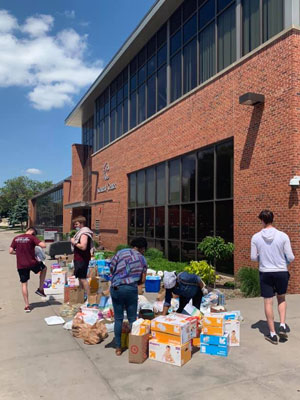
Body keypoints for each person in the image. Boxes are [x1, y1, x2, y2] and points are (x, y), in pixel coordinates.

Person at [251, 209, 294, 344]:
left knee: (268, 302)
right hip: (281, 271)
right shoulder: (283, 236)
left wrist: (263, 258)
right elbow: (291, 257)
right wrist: (282, 262)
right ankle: (281, 324)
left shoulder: (256, 237)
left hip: (265, 272)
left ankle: (272, 334)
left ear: (262, 220)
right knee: (281, 298)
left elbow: (253, 257)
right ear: (273, 219)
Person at [110, 237, 148, 356]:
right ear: (142, 248)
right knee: (132, 319)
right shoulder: (142, 259)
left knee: (118, 318)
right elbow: (142, 279)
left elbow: (111, 267)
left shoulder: (121, 252)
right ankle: (134, 345)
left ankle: (118, 348)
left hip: (116, 288)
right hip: (131, 289)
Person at [9, 227, 47, 312]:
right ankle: (40, 289)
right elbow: (44, 245)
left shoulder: (16, 238)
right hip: (32, 263)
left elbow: (10, 251)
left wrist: (18, 253)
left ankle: (27, 306)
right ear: (32, 232)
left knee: (24, 284)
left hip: (21, 265)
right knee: (44, 269)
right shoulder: (32, 237)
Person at [70, 216, 94, 297]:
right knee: (80, 278)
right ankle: (82, 295)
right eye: (74, 224)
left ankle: (89, 297)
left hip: (82, 259)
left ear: (82, 224)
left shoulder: (84, 234)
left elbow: (83, 247)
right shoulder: (81, 232)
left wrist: (74, 242)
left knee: (82, 278)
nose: (75, 226)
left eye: (76, 224)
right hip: (80, 258)